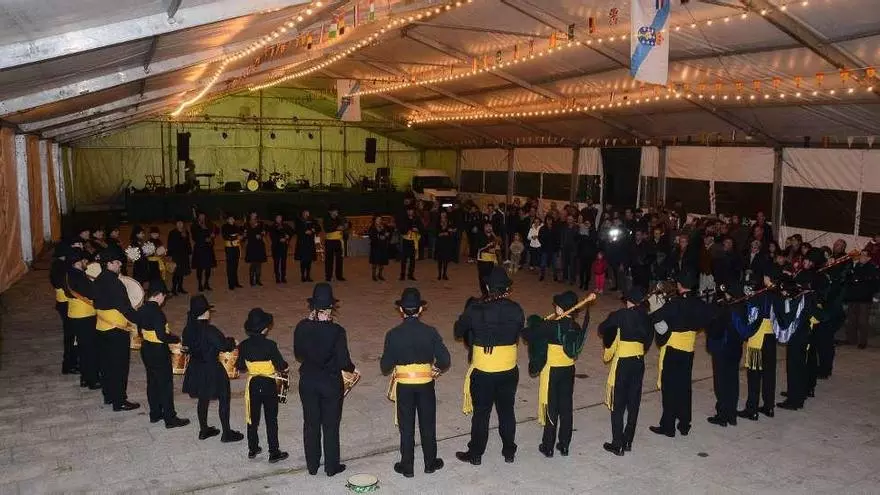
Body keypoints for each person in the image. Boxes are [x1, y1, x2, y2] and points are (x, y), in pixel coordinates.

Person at [454, 267, 524, 465]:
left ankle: (476, 454)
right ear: (507, 289)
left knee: (481, 413)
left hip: (483, 370)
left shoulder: (476, 309)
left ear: (486, 287)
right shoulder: (516, 309)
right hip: (508, 369)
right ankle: (509, 451)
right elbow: (519, 330)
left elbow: (458, 331)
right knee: (507, 411)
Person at [380, 288, 451, 477]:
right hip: (426, 384)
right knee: (428, 424)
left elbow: (385, 366)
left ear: (401, 310)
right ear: (420, 309)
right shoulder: (430, 332)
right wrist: (435, 369)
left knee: (407, 427)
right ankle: (430, 463)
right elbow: (445, 360)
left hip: (404, 386)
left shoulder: (393, 334)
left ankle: (407, 466)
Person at [293, 283, 356, 477]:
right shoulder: (337, 331)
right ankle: (331, 467)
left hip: (308, 381)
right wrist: (353, 369)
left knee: (311, 424)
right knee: (330, 425)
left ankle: (312, 466)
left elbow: (298, 355)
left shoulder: (301, 327)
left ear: (313, 307)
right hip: (330, 383)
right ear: (330, 308)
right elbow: (344, 361)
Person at [648, 271, 716, 437]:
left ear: (679, 285)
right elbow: (708, 319)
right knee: (685, 387)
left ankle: (668, 426)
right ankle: (685, 424)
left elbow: (657, 317)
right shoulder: (700, 304)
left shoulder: (675, 303)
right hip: (689, 349)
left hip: (673, 349)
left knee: (669, 388)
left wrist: (655, 304)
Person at [523, 291, 586, 458]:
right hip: (569, 370)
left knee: (551, 407)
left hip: (552, 370)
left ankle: (548, 446)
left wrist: (535, 325)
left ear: (560, 309)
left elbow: (528, 335)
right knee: (566, 407)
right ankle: (564, 445)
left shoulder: (551, 326)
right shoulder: (575, 326)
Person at [182, 294, 244, 442]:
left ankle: (204, 430)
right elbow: (223, 345)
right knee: (224, 397)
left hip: (196, 368)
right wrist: (233, 341)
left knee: (203, 398)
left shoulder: (188, 329)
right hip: (211, 368)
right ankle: (227, 433)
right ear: (205, 313)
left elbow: (187, 347)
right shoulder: (209, 330)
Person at [598, 287, 652, 455]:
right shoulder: (647, 317)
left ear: (628, 301)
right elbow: (647, 343)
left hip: (623, 362)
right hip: (638, 361)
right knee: (633, 403)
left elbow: (602, 328)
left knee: (618, 403)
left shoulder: (622, 315)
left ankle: (617, 443)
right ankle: (628, 441)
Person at [237, 308, 290, 463]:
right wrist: (285, 367)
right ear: (265, 329)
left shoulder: (244, 345)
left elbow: (240, 366)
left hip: (253, 384)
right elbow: (280, 365)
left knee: (252, 418)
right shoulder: (270, 345)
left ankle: (253, 448)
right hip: (268, 385)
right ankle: (273, 452)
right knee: (271, 419)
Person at [136, 279, 189, 428]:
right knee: (165, 384)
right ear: (159, 295)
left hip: (146, 348)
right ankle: (170, 418)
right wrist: (175, 338)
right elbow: (161, 336)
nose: (164, 300)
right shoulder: (157, 313)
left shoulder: (141, 309)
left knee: (152, 382)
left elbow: (139, 331)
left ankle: (155, 413)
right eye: (164, 296)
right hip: (159, 351)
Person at [777, 248, 826, 411]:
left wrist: (788, 286)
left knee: (795, 361)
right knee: (801, 361)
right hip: (805, 324)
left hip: (800, 324)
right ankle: (799, 391)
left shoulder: (810, 277)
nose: (804, 262)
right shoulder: (816, 276)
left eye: (808, 260)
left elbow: (797, 294)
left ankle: (795, 399)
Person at [93, 248, 140, 411]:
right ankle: (119, 401)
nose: (120, 265)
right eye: (118, 262)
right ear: (109, 264)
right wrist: (141, 319)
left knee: (106, 364)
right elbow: (125, 308)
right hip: (116, 330)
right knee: (119, 366)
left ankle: (109, 395)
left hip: (101, 327)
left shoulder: (98, 279)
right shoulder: (115, 283)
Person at [706, 284, 748, 428]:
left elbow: (714, 330)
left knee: (721, 382)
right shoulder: (742, 307)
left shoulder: (725, 309)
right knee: (733, 381)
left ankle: (722, 415)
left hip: (722, 349)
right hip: (736, 349)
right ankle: (732, 414)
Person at [738, 277, 777, 421]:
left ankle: (752, 409)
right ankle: (769, 406)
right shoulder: (776, 294)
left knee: (754, 375)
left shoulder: (756, 296)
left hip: (757, 338)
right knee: (769, 373)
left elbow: (751, 317)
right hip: (771, 336)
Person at [65, 248, 100, 389]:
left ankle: (85, 378)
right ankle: (92, 380)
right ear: (78, 262)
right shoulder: (79, 276)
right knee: (90, 348)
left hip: (75, 314)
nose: (86, 262)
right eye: (84, 260)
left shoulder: (69, 273)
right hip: (84, 316)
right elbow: (91, 293)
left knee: (82, 347)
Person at [844, 250, 880, 349]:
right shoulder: (855, 266)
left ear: (868, 258)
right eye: (861, 255)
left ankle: (862, 341)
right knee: (851, 320)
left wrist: (859, 280)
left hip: (864, 298)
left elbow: (874, 283)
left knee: (862, 321)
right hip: (853, 296)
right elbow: (849, 278)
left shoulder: (872, 267)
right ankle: (851, 339)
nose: (861, 257)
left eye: (864, 255)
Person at [51, 244, 77, 375]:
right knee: (71, 335)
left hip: (64, 303)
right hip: (66, 304)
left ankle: (70, 363)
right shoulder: (60, 267)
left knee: (71, 335)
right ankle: (69, 364)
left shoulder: (58, 265)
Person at [191, 211, 216, 292]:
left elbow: (215, 231)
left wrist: (213, 236)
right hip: (199, 249)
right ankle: (199, 284)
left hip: (208, 249)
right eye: (200, 216)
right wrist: (204, 239)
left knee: (208, 268)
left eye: (203, 216)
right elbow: (194, 237)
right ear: (198, 217)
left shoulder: (209, 224)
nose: (202, 217)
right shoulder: (194, 225)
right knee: (200, 268)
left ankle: (206, 283)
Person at [166, 218, 192, 295]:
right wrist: (169, 255)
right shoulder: (172, 233)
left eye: (181, 223)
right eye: (178, 223)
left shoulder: (185, 232)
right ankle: (174, 289)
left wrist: (189, 252)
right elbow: (169, 244)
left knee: (182, 272)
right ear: (176, 224)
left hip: (184, 255)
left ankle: (180, 287)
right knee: (176, 273)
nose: (180, 224)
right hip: (176, 255)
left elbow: (188, 243)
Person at [295, 209, 320, 282]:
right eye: (305, 213)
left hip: (310, 243)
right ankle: (302, 276)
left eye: (307, 213)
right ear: (302, 213)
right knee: (303, 260)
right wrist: (304, 232)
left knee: (309, 260)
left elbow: (318, 228)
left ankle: (308, 276)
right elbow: (296, 230)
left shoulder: (312, 220)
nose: (306, 214)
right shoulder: (298, 221)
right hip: (302, 243)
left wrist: (312, 230)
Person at [475, 222, 500, 295]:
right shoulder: (480, 235)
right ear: (484, 227)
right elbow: (476, 247)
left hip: (492, 260)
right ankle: (484, 294)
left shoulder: (494, 237)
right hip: (483, 260)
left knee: (491, 277)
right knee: (482, 277)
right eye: (487, 226)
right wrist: (487, 247)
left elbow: (499, 247)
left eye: (490, 226)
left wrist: (496, 248)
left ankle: (491, 292)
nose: (489, 228)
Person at [323, 205, 347, 282]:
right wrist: (337, 227)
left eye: (337, 210)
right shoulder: (326, 219)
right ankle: (328, 276)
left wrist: (344, 227)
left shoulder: (339, 218)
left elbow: (344, 226)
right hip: (329, 241)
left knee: (339, 259)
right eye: (335, 211)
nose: (336, 212)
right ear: (330, 212)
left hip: (338, 241)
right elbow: (327, 229)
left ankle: (339, 276)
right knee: (329, 260)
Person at [221, 213, 244, 291]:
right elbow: (225, 237)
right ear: (227, 219)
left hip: (236, 248)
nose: (232, 220)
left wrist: (242, 236)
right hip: (229, 249)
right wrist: (236, 237)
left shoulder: (236, 227)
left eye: (233, 218)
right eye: (231, 218)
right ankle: (231, 284)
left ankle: (236, 282)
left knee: (235, 266)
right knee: (230, 266)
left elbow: (240, 235)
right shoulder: (224, 227)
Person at [269, 214, 294, 284]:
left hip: (284, 247)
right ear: (275, 218)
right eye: (278, 218)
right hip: (276, 247)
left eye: (280, 217)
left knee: (283, 262)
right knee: (276, 262)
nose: (279, 219)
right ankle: (277, 277)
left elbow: (292, 232)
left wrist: (288, 237)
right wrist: (279, 239)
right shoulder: (273, 226)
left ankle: (283, 277)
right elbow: (272, 236)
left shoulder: (285, 225)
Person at [244, 212, 268, 287]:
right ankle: (251, 280)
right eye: (252, 214)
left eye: (255, 215)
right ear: (250, 215)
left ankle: (258, 280)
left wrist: (261, 235)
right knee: (253, 264)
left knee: (259, 263)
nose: (254, 216)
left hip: (259, 245)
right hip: (251, 245)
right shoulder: (247, 224)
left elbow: (264, 232)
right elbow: (246, 235)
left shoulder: (261, 223)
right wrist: (254, 235)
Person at [398, 205, 421, 281]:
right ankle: (402, 275)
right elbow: (401, 229)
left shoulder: (416, 219)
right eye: (408, 210)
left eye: (411, 210)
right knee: (404, 259)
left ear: (413, 211)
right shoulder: (404, 219)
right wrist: (408, 230)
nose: (410, 212)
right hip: (406, 240)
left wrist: (417, 230)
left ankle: (411, 275)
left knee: (412, 259)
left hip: (413, 241)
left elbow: (421, 229)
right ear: (407, 211)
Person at [435, 215, 456, 281]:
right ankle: (439, 274)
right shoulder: (438, 226)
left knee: (446, 261)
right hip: (440, 245)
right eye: (442, 218)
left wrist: (450, 232)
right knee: (440, 261)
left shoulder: (449, 226)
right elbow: (437, 234)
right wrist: (444, 233)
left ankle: (444, 274)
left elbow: (451, 234)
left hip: (447, 245)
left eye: (444, 218)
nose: (443, 220)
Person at [538, 217, 559, 282]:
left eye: (550, 220)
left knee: (555, 264)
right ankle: (542, 275)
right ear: (546, 220)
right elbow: (540, 237)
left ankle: (555, 276)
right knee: (543, 263)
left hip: (553, 249)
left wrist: (556, 246)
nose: (549, 221)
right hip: (545, 248)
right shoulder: (542, 228)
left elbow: (558, 238)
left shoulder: (555, 228)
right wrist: (543, 244)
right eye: (548, 220)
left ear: (552, 220)